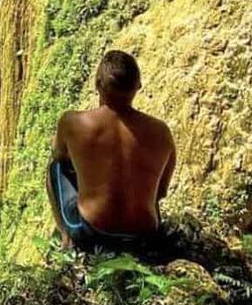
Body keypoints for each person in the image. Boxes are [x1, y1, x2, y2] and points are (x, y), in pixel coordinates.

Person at [46, 50, 175, 250]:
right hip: (146, 236)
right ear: (138, 86)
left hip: (94, 234)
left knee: (56, 166)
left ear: (97, 84)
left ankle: (67, 240)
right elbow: (161, 191)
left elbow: (59, 155)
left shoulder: (73, 122)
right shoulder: (161, 132)